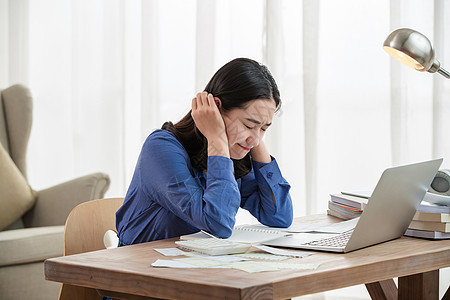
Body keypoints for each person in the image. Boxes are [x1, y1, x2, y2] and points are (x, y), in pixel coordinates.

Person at [116, 58, 293, 245]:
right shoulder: (161, 147)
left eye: (265, 129)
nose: (256, 139)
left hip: (194, 266)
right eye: (249, 125)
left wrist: (254, 135)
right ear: (215, 108)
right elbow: (218, 224)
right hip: (141, 266)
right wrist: (216, 138)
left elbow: (280, 217)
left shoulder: (232, 154)